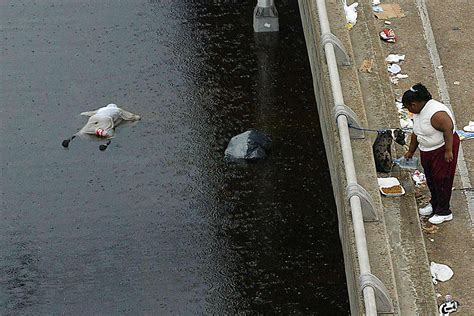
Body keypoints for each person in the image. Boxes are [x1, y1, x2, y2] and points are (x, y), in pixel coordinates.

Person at [403, 83, 459, 224]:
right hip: (427, 149)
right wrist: (411, 151)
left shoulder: (436, 114)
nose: (408, 110)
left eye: (408, 106)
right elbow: (416, 132)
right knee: (431, 178)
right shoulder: (417, 113)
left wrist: (448, 150)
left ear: (414, 104)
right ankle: (434, 204)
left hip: (442, 149)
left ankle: (444, 211)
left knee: (442, 179)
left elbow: (448, 129)